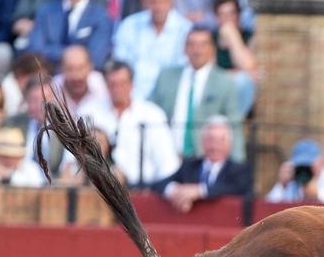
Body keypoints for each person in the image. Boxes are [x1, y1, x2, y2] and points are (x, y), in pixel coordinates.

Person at [149, 27, 244, 160]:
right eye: (192, 44)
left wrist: (237, 163)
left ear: (212, 49)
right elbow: (150, 112)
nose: (197, 50)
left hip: (203, 160)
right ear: (184, 49)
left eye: (203, 45)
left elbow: (233, 124)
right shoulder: (166, 77)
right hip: (168, 157)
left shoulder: (224, 82)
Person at [113, 0, 192, 101]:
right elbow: (121, 65)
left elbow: (183, 72)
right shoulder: (129, 25)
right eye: (153, 1)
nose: (159, 7)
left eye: (164, 1)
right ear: (144, 2)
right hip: (133, 97)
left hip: (172, 98)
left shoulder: (186, 29)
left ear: (172, 2)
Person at [104, 60, 180, 186]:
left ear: (132, 84)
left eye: (122, 83)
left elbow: (167, 162)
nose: (117, 89)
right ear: (106, 85)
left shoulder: (152, 114)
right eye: (112, 84)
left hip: (141, 189)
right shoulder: (91, 113)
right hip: (98, 190)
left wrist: (167, 188)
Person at [29, 0, 114, 66]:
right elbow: (35, 49)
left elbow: (96, 57)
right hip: (49, 74)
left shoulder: (101, 16)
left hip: (84, 76)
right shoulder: (46, 12)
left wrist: (53, 52)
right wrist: (71, 54)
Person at [156, 115, 250, 211]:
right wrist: (176, 191)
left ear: (229, 144)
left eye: (220, 140)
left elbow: (236, 188)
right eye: (210, 139)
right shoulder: (190, 166)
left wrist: (199, 191)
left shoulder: (239, 170)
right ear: (203, 141)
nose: (215, 146)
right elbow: (159, 184)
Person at [265, 138, 324, 203]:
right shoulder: (292, 183)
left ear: (321, 161)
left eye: (309, 163)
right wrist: (282, 185)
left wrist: (320, 194)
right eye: (301, 164)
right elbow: (268, 206)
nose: (305, 168)